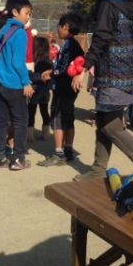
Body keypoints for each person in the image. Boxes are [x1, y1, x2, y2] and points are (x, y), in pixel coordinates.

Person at [71, 0, 133, 179]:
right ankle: (98, 169)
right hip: (127, 74)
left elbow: (100, 39)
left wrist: (83, 68)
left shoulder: (109, 5)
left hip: (111, 76)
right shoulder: (132, 9)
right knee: (104, 119)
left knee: (110, 125)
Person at [0, 0, 34, 170]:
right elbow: (17, 62)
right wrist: (26, 82)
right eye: (27, 13)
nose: (28, 17)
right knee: (21, 120)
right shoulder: (21, 33)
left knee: (0, 120)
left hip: (0, 83)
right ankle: (19, 158)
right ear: (15, 12)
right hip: (14, 84)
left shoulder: (4, 29)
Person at [37, 13, 85, 166]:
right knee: (68, 118)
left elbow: (63, 68)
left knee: (58, 120)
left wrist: (51, 73)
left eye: (59, 27)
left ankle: (59, 153)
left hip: (63, 88)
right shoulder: (75, 45)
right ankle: (68, 150)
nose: (57, 30)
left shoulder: (69, 46)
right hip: (71, 88)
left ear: (65, 27)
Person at [28, 36, 53, 141]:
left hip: (35, 89)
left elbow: (31, 75)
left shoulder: (34, 61)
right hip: (46, 90)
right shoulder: (49, 61)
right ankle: (46, 134)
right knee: (44, 111)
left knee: (31, 111)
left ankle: (29, 135)